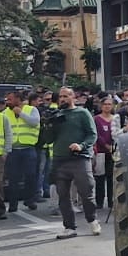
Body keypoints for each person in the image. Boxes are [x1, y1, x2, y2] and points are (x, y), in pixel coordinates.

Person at [46, 88, 100, 239]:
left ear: (73, 97)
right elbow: (47, 139)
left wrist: (81, 145)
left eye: (65, 96)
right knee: (62, 195)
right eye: (60, 97)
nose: (62, 99)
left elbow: (92, 134)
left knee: (86, 191)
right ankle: (69, 227)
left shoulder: (82, 113)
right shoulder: (56, 115)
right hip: (59, 159)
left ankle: (92, 219)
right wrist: (48, 125)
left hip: (79, 158)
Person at [2, 90, 42, 212]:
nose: (7, 101)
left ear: (18, 99)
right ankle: (13, 204)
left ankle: (30, 199)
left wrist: (21, 114)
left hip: (28, 148)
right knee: (13, 178)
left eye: (10, 99)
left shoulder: (31, 109)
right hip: (12, 150)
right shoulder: (4, 113)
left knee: (30, 176)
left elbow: (34, 122)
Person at [94, 95, 119, 208]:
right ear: (101, 106)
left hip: (113, 151)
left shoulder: (116, 118)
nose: (107, 106)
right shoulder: (96, 119)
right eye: (105, 104)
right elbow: (97, 135)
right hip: (100, 151)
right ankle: (99, 202)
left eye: (109, 104)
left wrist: (112, 147)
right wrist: (105, 145)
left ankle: (111, 201)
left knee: (111, 177)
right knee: (100, 177)